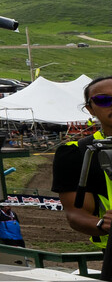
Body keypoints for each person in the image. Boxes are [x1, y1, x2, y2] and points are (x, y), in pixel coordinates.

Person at [52, 75, 112, 261]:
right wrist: (102, 224)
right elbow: (75, 213)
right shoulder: (78, 154)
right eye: (103, 100)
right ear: (90, 109)